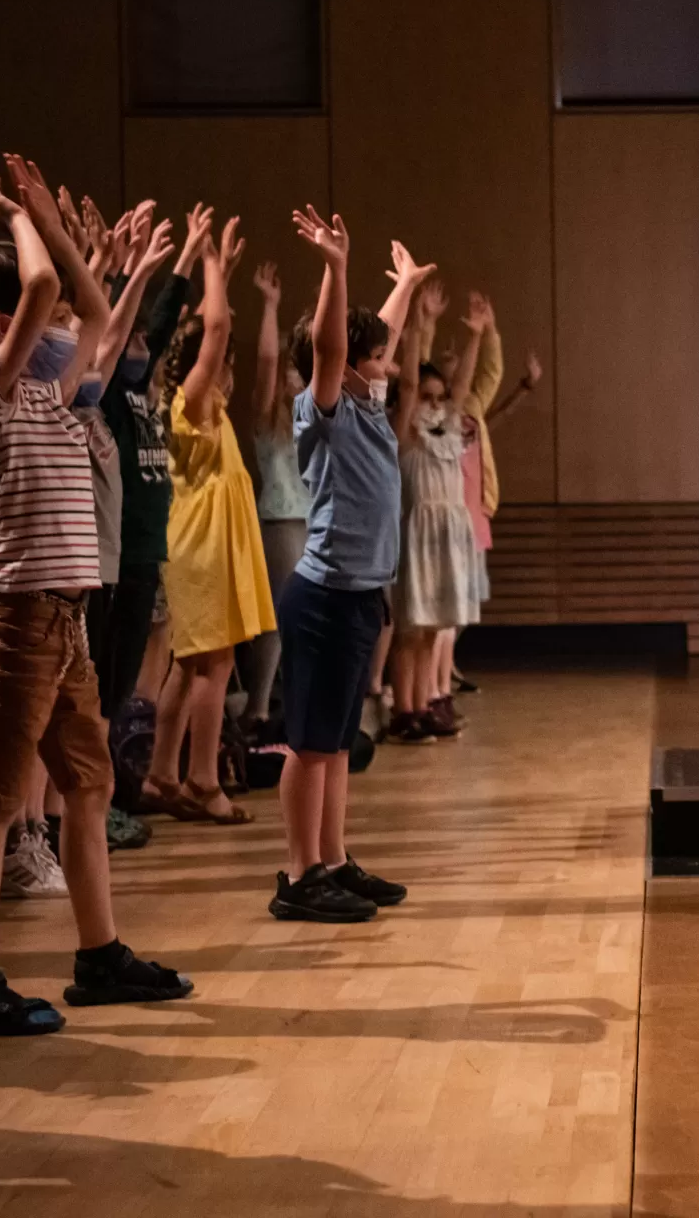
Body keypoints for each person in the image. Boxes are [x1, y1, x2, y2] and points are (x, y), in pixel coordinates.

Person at [0, 158, 193, 1038]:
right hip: (13, 618)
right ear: (6, 325)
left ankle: (99, 953)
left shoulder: (50, 391)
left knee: (88, 781)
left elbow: (91, 309)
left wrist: (45, 216)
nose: (62, 333)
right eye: (30, 319)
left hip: (67, 616)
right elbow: (48, 283)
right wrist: (22, 217)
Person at [271, 210, 426, 921]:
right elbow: (331, 347)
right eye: (377, 355)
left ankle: (332, 858)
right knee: (308, 744)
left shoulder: (369, 403)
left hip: (361, 595)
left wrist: (404, 287)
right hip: (324, 596)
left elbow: (372, 339)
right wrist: (335, 270)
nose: (387, 361)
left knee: (337, 742)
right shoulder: (325, 405)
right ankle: (299, 873)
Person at [145, 214, 273, 823]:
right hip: (200, 551)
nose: (227, 364)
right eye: (218, 357)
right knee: (214, 665)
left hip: (201, 549)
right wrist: (214, 264)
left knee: (192, 663)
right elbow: (216, 327)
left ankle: (162, 774)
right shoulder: (189, 404)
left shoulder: (210, 411)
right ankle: (201, 779)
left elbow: (221, 332)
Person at [90, 203, 198, 726]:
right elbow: (112, 330)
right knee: (104, 684)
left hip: (145, 556)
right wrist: (131, 271)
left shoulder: (137, 388)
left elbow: (157, 327)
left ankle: (103, 798)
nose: (142, 346)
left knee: (119, 689)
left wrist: (186, 261)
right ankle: (85, 805)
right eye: (132, 338)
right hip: (120, 557)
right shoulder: (109, 392)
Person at [388, 281, 483, 742]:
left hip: (446, 534)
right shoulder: (406, 433)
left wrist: (476, 337)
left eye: (437, 398)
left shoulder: (447, 430)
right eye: (427, 397)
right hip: (418, 535)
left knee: (431, 628)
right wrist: (415, 327)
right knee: (410, 629)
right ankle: (403, 709)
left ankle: (425, 702)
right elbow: (406, 382)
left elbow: (462, 385)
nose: (433, 404)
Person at [242, 259, 310, 738]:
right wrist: (271, 307)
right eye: (291, 370)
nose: (293, 377)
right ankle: (258, 710)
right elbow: (266, 362)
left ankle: (298, 710)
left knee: (307, 624)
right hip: (283, 523)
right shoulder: (269, 420)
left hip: (316, 524)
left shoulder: (315, 413)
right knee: (279, 619)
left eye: (298, 371)